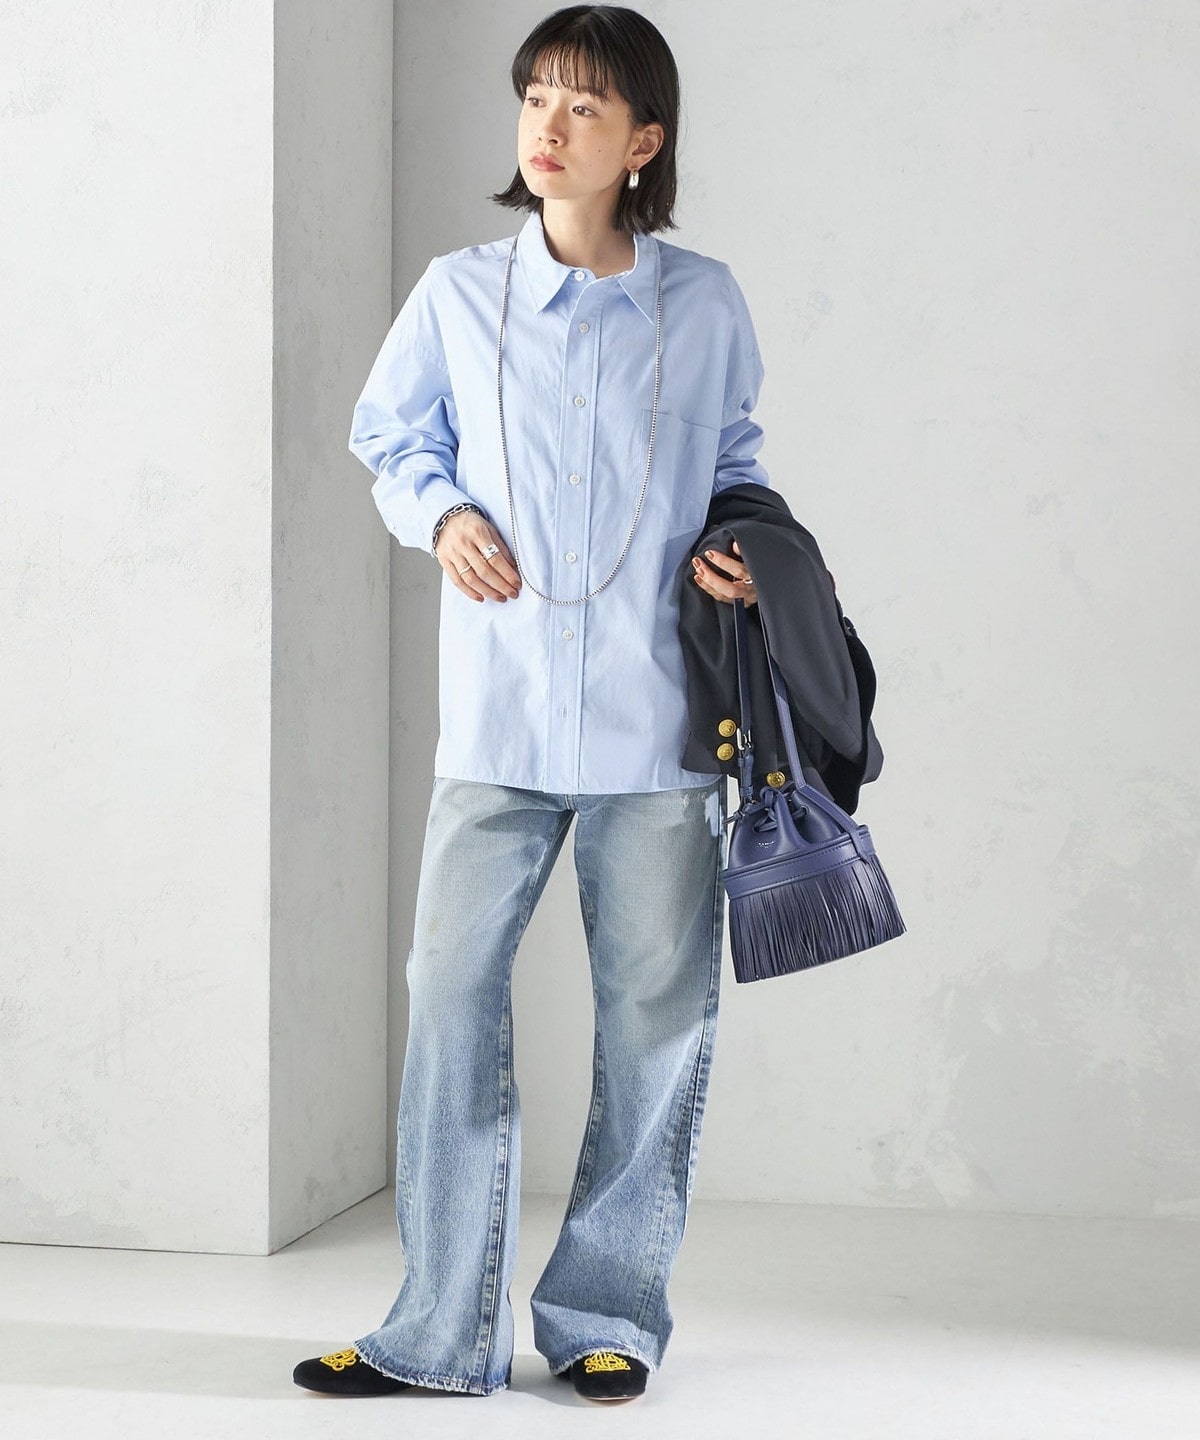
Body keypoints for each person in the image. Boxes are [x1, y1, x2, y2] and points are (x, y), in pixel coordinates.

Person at [294, 2, 770, 1405]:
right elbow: (389, 437)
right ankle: (437, 1332)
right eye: (536, 99)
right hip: (497, 722)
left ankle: (607, 1316)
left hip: (658, 727)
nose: (548, 129)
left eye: (583, 107)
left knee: (655, 1025)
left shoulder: (704, 303)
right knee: (448, 996)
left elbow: (738, 466)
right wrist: (440, 515)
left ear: (643, 143)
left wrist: (742, 545)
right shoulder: (457, 293)